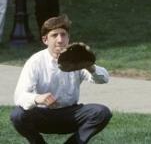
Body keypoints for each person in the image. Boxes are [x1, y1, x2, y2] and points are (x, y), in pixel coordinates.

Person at [10, 14, 112, 144]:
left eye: (63, 35)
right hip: (43, 115)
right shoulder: (35, 61)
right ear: (45, 40)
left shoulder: (76, 56)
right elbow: (19, 96)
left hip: (71, 114)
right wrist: (37, 98)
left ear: (68, 38)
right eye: (54, 35)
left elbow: (104, 79)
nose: (60, 40)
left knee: (101, 112)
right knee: (17, 115)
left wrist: (89, 66)